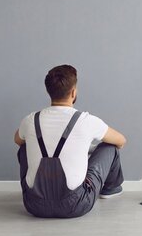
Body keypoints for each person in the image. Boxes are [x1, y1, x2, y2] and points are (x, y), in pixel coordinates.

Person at [14, 64, 127, 218]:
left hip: (34, 205)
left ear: (49, 93)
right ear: (73, 92)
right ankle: (110, 189)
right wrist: (86, 149)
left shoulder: (30, 120)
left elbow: (17, 140)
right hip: (75, 205)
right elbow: (121, 141)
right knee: (110, 147)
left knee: (24, 146)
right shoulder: (86, 121)